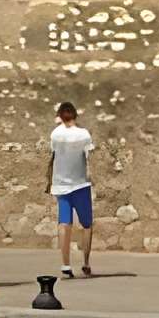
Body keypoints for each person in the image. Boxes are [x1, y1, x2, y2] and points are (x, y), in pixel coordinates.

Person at [47, 101, 99, 278]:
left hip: (61, 185)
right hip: (80, 184)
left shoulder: (55, 134)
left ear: (60, 116)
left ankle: (65, 264)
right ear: (75, 115)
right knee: (86, 225)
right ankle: (85, 262)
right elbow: (89, 156)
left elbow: (52, 156)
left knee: (64, 223)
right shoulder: (84, 134)